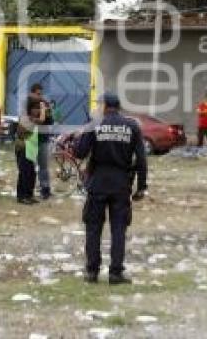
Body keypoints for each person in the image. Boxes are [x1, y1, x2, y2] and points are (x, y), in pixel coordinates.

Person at [74, 92, 147, 285]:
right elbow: (141, 159)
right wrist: (141, 187)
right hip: (121, 185)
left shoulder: (95, 124)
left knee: (93, 229)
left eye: (100, 104)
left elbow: (79, 152)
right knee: (118, 230)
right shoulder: (132, 126)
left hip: (97, 184)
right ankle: (115, 273)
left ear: (105, 106)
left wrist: (81, 134)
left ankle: (92, 272)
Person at [15, 95, 45, 204]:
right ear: (29, 109)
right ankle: (21, 196)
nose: (37, 111)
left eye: (38, 108)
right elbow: (41, 120)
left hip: (30, 147)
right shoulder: (26, 117)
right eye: (35, 108)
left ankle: (29, 194)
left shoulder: (30, 117)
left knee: (32, 173)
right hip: (23, 147)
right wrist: (42, 108)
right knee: (25, 172)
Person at [27, 83, 54, 200]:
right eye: (38, 94)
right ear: (32, 93)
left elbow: (50, 121)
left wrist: (45, 114)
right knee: (29, 166)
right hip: (31, 138)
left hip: (43, 138)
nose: (40, 96)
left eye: (41, 94)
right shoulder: (27, 104)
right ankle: (28, 190)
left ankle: (45, 189)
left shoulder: (45, 104)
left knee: (43, 166)